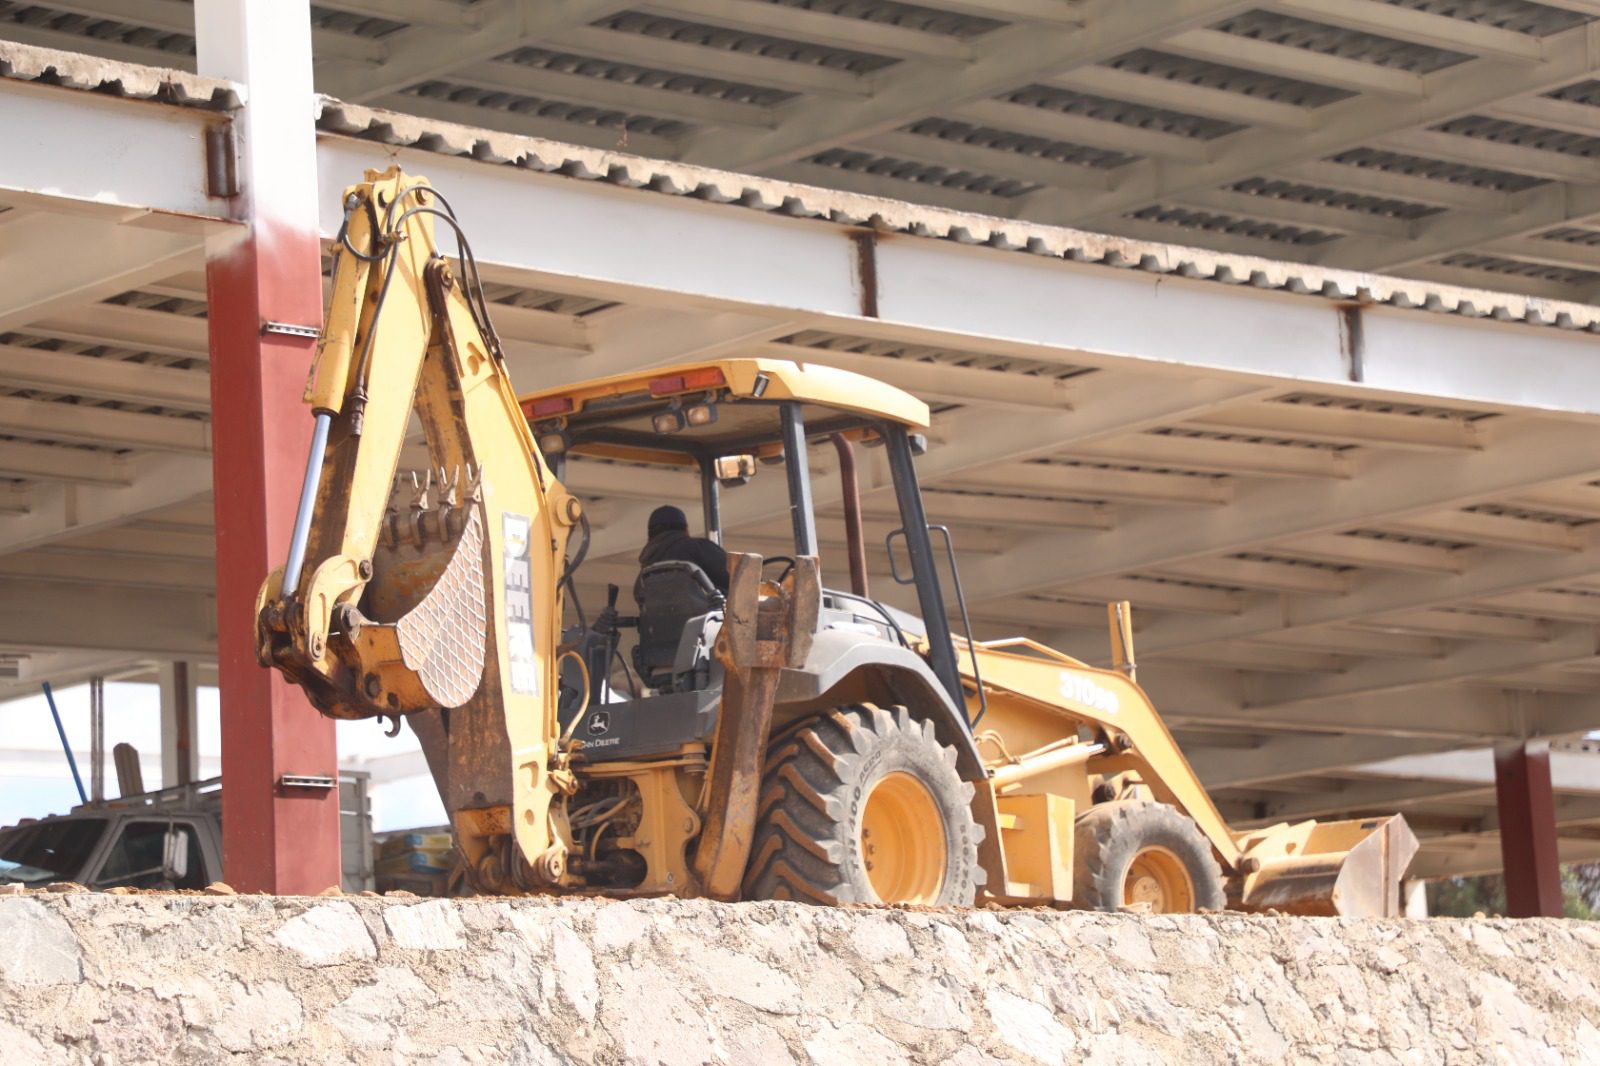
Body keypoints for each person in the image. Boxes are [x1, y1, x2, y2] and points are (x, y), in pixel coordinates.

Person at [635, 504, 729, 602]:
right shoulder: (698, 547)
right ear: (685, 530)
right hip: (709, 614)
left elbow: (639, 596)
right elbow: (735, 577)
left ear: (650, 535)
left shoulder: (646, 566)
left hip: (663, 617)